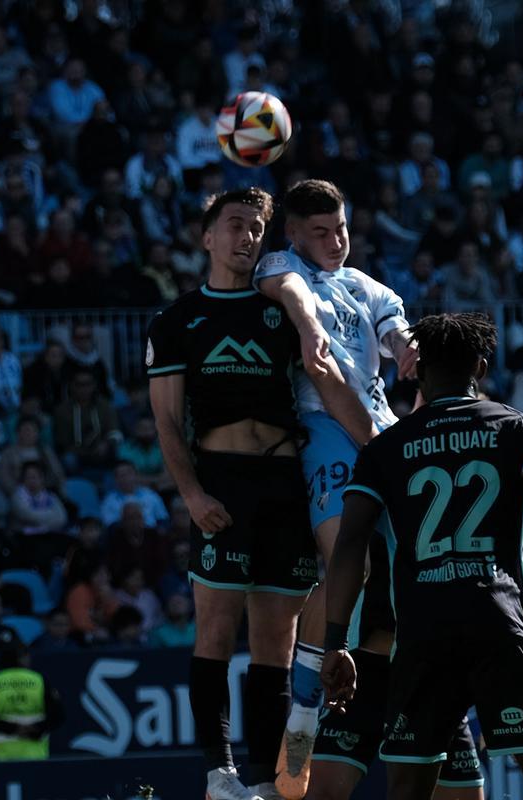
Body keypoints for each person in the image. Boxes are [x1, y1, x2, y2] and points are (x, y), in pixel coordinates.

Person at [147, 188, 374, 800]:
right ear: (207, 237)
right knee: (216, 631)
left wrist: (377, 446)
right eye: (235, 224)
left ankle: (272, 780)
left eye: (256, 227)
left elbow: (325, 376)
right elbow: (166, 420)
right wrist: (191, 494)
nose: (247, 236)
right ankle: (219, 773)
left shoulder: (278, 305)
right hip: (221, 483)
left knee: (278, 640)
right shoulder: (176, 321)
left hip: (284, 484)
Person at [321, 313, 523, 800]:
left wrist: (337, 641)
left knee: (408, 791)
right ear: (481, 368)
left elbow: (350, 544)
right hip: (499, 623)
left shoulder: (385, 448)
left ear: (419, 372)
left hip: (421, 636)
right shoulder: (522, 429)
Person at [253, 179, 416, 797]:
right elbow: (288, 289)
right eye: (320, 232)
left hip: (383, 429)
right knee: (348, 560)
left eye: (341, 228)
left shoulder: (365, 285)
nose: (335, 241)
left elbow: (398, 332)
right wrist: (306, 325)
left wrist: (410, 350)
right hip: (326, 429)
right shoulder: (282, 265)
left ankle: (424, 679)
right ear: (294, 233)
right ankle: (301, 714)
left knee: (416, 558)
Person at [306, 535, 485, 800]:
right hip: (364, 669)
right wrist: (303, 701)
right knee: (322, 793)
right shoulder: (364, 515)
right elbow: (337, 565)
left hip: (432, 671)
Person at [0, 644, 65, 761]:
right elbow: (57, 716)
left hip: (0, 755)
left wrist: (14, 729)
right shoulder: (39, 680)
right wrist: (35, 728)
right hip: (36, 755)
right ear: (21, 659)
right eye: (27, 656)